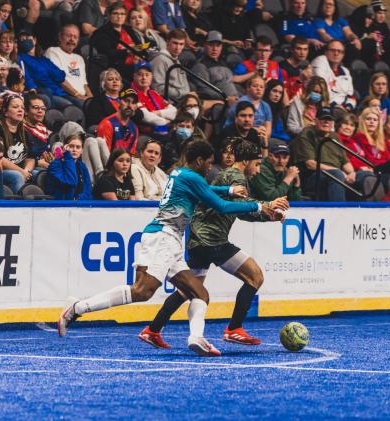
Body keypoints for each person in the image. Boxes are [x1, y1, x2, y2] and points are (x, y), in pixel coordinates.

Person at [58, 139, 280, 357]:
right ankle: (78, 308)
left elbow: (208, 191)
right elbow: (219, 205)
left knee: (199, 293)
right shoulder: (193, 177)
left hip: (170, 240)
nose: (210, 167)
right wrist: (261, 205)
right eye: (208, 162)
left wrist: (229, 190)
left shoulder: (180, 174)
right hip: (163, 237)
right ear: (199, 160)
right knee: (142, 291)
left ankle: (196, 337)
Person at [139, 140, 288, 348]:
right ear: (245, 161)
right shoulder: (236, 177)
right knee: (255, 276)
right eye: (257, 164)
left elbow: (241, 211)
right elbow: (237, 207)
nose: (258, 169)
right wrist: (267, 206)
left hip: (198, 240)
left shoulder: (228, 175)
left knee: (189, 289)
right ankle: (234, 329)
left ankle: (153, 329)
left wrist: (268, 214)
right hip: (212, 239)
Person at [290, 107, 356, 201]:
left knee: (365, 176)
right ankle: (339, 212)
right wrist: (338, 171)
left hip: (336, 173)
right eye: (323, 119)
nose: (326, 122)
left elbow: (345, 162)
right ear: (315, 120)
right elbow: (310, 164)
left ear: (333, 123)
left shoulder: (334, 136)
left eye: (329, 120)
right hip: (313, 176)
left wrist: (352, 173)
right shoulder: (307, 133)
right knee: (336, 175)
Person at [0, 91, 33, 194]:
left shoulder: (25, 132)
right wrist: (21, 172)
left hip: (21, 170)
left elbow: (31, 158)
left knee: (40, 173)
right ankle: (19, 206)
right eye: (15, 107)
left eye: (22, 108)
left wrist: (27, 171)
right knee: (17, 176)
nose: (20, 110)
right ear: (5, 111)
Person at [17, 31, 74, 111]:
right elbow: (26, 76)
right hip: (46, 93)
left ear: (34, 40)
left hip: (60, 92)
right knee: (70, 107)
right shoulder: (20, 58)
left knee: (81, 103)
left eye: (27, 38)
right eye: (22, 40)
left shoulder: (43, 59)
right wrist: (32, 87)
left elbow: (60, 76)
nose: (25, 41)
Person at [44, 24, 93, 108]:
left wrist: (91, 97)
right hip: (64, 94)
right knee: (87, 106)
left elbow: (84, 84)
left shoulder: (79, 58)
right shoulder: (53, 51)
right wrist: (78, 95)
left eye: (75, 37)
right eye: (69, 36)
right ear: (60, 37)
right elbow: (60, 80)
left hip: (81, 97)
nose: (72, 40)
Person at [90, 2, 139, 80]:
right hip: (117, 68)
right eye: (115, 13)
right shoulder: (101, 32)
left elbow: (139, 46)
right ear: (109, 15)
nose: (119, 16)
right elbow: (108, 53)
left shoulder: (129, 30)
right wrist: (128, 51)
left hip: (136, 65)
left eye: (122, 14)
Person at [190, 31, 237, 105]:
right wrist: (226, 98)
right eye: (211, 45)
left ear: (221, 47)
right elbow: (204, 90)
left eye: (218, 45)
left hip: (234, 101)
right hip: (218, 104)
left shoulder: (223, 63)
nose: (214, 49)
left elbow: (231, 82)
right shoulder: (200, 65)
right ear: (205, 45)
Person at [130, 61, 177, 135]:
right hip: (146, 134)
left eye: (147, 75)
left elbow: (174, 111)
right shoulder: (131, 94)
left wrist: (156, 113)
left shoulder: (154, 93)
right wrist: (167, 121)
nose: (144, 78)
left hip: (164, 132)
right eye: (140, 75)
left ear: (152, 77)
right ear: (134, 76)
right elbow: (147, 117)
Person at [45, 129, 92, 200]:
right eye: (71, 146)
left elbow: (88, 191)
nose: (74, 150)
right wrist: (68, 157)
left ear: (82, 151)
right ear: (65, 148)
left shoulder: (82, 166)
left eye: (78, 147)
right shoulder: (55, 165)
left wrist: (79, 199)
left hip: (80, 205)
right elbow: (71, 181)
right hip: (61, 206)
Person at [311, 40, 356, 111]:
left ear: (343, 55)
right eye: (332, 50)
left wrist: (347, 107)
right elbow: (322, 89)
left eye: (339, 51)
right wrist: (335, 105)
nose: (336, 53)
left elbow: (351, 96)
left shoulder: (345, 71)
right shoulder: (320, 61)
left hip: (342, 109)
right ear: (326, 52)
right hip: (321, 106)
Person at [226, 76, 272, 142]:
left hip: (258, 137)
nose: (259, 89)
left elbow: (268, 129)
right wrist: (256, 132)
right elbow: (239, 125)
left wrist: (264, 137)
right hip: (237, 135)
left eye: (261, 87)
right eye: (255, 86)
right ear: (248, 88)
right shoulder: (241, 102)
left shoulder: (266, 106)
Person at [97, 88, 139, 155]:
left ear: (136, 107)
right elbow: (104, 155)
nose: (130, 106)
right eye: (126, 101)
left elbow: (131, 154)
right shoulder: (107, 124)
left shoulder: (134, 128)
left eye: (133, 103)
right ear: (118, 103)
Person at [151, 29, 190, 102]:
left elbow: (185, 84)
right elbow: (158, 88)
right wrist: (182, 93)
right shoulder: (159, 59)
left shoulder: (177, 60)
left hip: (181, 99)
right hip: (169, 102)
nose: (178, 48)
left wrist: (188, 95)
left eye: (181, 44)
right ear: (167, 42)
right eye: (175, 43)